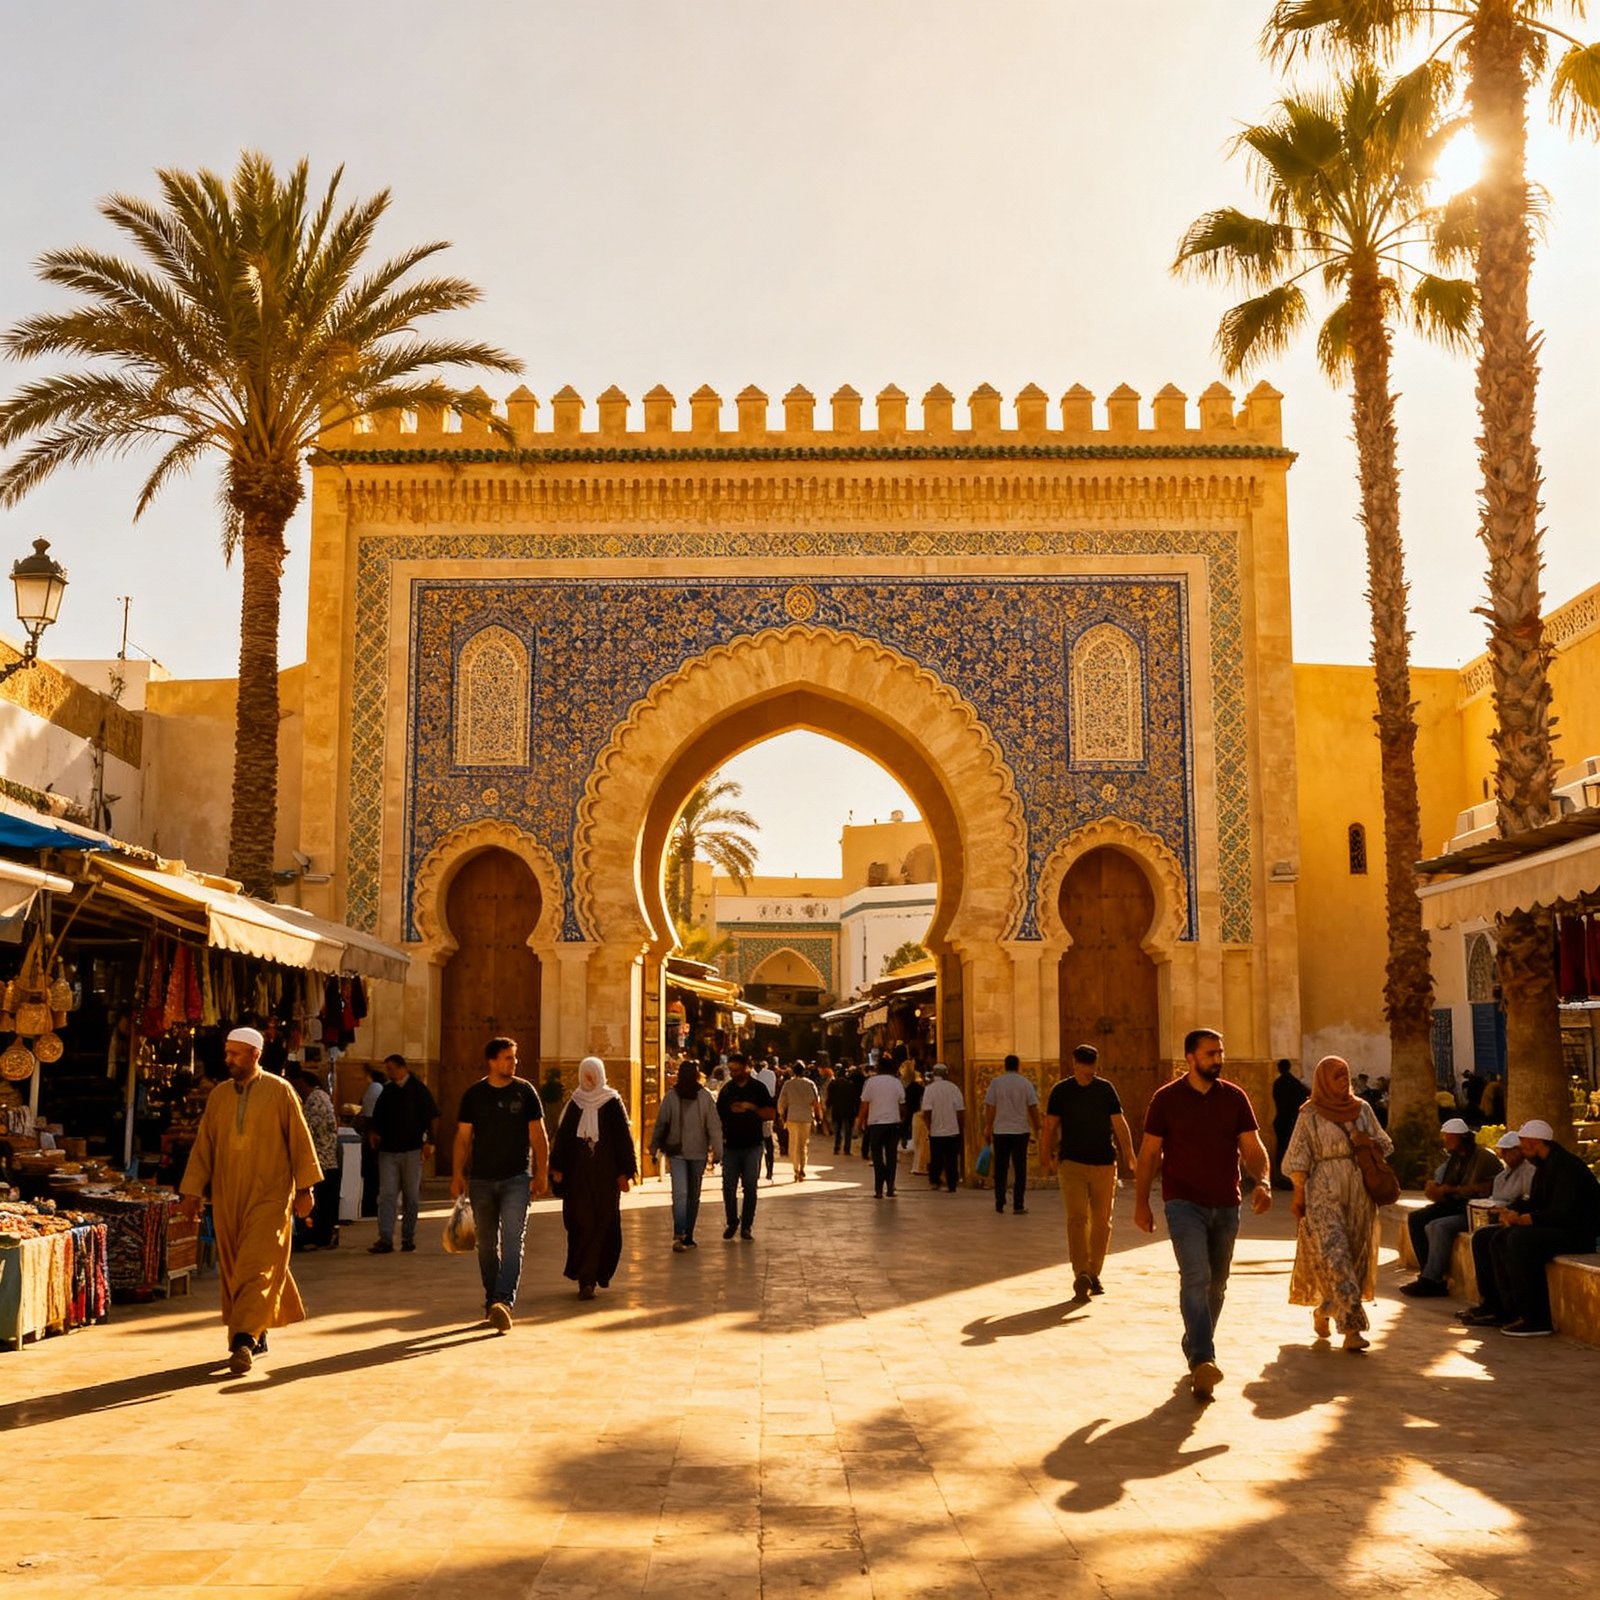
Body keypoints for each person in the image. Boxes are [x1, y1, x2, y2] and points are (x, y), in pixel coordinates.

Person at [1133, 1028, 1273, 1400]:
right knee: (1195, 1276)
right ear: (1190, 1058)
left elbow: (1253, 1148)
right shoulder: (1166, 1099)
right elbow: (1149, 1155)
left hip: (1227, 1203)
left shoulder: (1235, 1098)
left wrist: (1263, 1182)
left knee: (1217, 1283)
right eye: (1210, 1054)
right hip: (1183, 1203)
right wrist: (1141, 1202)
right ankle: (1202, 1358)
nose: (1218, 1059)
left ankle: (1194, 1338)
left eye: (1220, 1053)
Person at [178, 1026, 323, 1375]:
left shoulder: (280, 1091)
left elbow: (300, 1142)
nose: (227, 1059)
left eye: (235, 1053)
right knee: (236, 1266)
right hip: (228, 1195)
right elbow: (204, 1147)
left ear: (255, 1055)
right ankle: (258, 1328)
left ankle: (242, 1338)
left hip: (271, 1194)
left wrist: (305, 1189)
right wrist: (193, 1190)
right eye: (227, 1053)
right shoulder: (219, 1096)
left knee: (256, 1264)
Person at [1283, 1055, 1393, 1351]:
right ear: (1323, 1080)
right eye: (1337, 1077)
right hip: (1322, 1191)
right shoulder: (1310, 1114)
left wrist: (1366, 1142)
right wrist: (1298, 1196)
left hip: (1358, 1192)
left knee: (1355, 1256)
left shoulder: (1363, 1109)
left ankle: (1324, 1309)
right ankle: (1352, 1330)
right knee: (1336, 1255)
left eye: (1346, 1075)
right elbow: (1298, 1157)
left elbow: (1386, 1144)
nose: (1344, 1082)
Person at [1460, 1119, 1600, 1336]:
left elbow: (1565, 1212)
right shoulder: (1543, 1167)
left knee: (1518, 1239)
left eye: (1524, 1146)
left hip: (1576, 1233)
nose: (1523, 1152)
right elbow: (1535, 1202)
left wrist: (1526, 1219)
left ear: (1536, 1143)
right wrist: (1510, 1211)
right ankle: (1500, 1308)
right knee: (1486, 1237)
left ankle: (1536, 1318)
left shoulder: (1567, 1167)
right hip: (1554, 1227)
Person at [451, 1036, 549, 1332]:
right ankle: (492, 1298)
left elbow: (538, 1135)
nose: (513, 1062)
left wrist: (541, 1172)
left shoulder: (525, 1092)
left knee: (512, 1242)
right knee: (486, 1246)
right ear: (492, 1061)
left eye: (514, 1058)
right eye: (507, 1058)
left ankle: (503, 1301)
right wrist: (458, 1173)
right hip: (481, 1180)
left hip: (517, 1179)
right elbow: (463, 1138)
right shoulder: (474, 1095)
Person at [1042, 1044, 1135, 1299]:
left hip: (1104, 1163)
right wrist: (1046, 1154)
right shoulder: (1061, 1091)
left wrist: (1129, 1153)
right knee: (1077, 1219)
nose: (1089, 1071)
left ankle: (1094, 1272)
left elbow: (1119, 1123)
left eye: (1092, 1066)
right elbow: (1050, 1126)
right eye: (1085, 1065)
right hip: (1071, 1163)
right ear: (1075, 1063)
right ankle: (1081, 1272)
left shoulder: (1105, 1089)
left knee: (1102, 1222)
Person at [549, 1057, 637, 1300]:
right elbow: (564, 1138)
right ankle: (586, 1278)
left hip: (606, 1178)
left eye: (592, 1075)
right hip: (579, 1177)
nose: (589, 1080)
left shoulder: (612, 1101)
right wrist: (556, 1168)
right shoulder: (575, 1103)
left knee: (604, 1223)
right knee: (582, 1223)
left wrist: (626, 1172)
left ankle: (594, 1275)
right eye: (585, 1075)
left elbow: (622, 1138)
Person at [1400, 1118, 1501, 1297]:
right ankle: (1428, 1275)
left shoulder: (1484, 1157)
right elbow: (1440, 1184)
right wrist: (1436, 1189)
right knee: (1416, 1218)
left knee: (1437, 1226)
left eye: (1449, 1137)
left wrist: (1455, 1189)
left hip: (1472, 1209)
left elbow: (1488, 1187)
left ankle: (1432, 1280)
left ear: (1461, 1138)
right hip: (1453, 1204)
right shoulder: (1453, 1159)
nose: (1445, 1141)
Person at [368, 1053, 440, 1255]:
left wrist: (431, 1142)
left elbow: (432, 1116)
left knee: (411, 1196)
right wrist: (373, 1132)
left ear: (401, 1068)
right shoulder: (387, 1091)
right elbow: (378, 1116)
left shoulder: (418, 1089)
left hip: (412, 1149)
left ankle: (408, 1237)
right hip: (388, 1151)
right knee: (387, 1195)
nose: (389, 1073)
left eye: (391, 1068)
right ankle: (385, 1238)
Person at [649, 1058, 722, 1250]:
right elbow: (661, 1123)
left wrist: (717, 1151)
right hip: (678, 1152)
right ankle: (680, 1232)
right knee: (681, 1193)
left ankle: (689, 1233)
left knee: (692, 1195)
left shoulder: (704, 1097)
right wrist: (654, 1147)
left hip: (698, 1153)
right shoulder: (672, 1097)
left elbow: (713, 1126)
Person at [716, 1052, 774, 1239]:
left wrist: (752, 1108)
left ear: (746, 1069)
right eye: (731, 1070)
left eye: (736, 1070)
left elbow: (771, 1113)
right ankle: (732, 1221)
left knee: (750, 1186)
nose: (733, 1073)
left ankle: (747, 1225)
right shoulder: (726, 1091)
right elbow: (718, 1117)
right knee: (728, 1187)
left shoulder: (758, 1089)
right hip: (731, 1146)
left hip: (752, 1145)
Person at [983, 1054, 1040, 1215]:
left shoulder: (996, 1083)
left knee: (1001, 1167)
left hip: (1000, 1131)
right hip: (1021, 1132)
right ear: (1018, 1066)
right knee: (1020, 1168)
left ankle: (999, 1201)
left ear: (1005, 1066)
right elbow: (1033, 1107)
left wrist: (988, 1127)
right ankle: (1018, 1204)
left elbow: (990, 1107)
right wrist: (1038, 1128)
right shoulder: (1026, 1083)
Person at [292, 1068, 342, 1250]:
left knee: (321, 1203)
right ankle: (323, 1235)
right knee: (325, 1202)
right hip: (326, 1160)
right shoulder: (323, 1098)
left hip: (322, 1161)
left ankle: (319, 1236)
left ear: (304, 1083)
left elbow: (307, 1130)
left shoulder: (315, 1099)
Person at [857, 1057, 906, 1199]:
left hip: (876, 1124)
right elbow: (902, 1104)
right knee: (891, 1155)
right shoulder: (896, 1082)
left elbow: (864, 1104)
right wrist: (902, 1119)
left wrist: (860, 1122)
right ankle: (890, 1186)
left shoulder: (871, 1082)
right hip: (892, 1123)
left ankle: (879, 1189)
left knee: (877, 1156)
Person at [920, 1063, 965, 1192]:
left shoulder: (930, 1089)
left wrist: (929, 1126)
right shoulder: (954, 1088)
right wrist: (960, 1127)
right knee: (952, 1158)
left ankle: (935, 1181)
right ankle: (952, 1184)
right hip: (952, 1129)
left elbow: (927, 1111)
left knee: (936, 1157)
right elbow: (960, 1111)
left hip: (936, 1130)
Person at [777, 1066, 821, 1180]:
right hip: (806, 1117)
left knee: (793, 1143)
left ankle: (796, 1168)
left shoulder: (788, 1084)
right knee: (803, 1144)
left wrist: (781, 1115)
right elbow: (816, 1101)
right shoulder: (810, 1084)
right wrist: (817, 1116)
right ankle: (802, 1167)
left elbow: (782, 1101)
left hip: (792, 1117)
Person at [1269, 1058, 1308, 1190]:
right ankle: (1290, 1179)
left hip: (1282, 1120)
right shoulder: (1295, 1083)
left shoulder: (1278, 1083)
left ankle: (1281, 1178)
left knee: (1282, 1149)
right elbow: (1306, 1095)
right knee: (1291, 1149)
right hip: (1291, 1120)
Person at [354, 1063, 385, 1217]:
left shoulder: (375, 1089)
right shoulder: (377, 1089)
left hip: (372, 1139)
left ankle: (370, 1208)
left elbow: (369, 1115)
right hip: (373, 1138)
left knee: (372, 1176)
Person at [829, 1062, 861, 1156]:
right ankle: (847, 1149)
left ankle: (836, 1148)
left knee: (837, 1130)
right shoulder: (850, 1084)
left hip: (837, 1109)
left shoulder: (833, 1084)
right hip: (848, 1109)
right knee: (848, 1130)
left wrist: (829, 1107)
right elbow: (854, 1097)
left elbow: (830, 1097)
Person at [755, 1056, 780, 1178]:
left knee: (757, 1144)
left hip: (756, 1114)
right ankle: (770, 1170)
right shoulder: (771, 1075)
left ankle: (756, 1170)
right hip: (767, 1113)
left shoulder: (753, 1077)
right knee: (768, 1141)